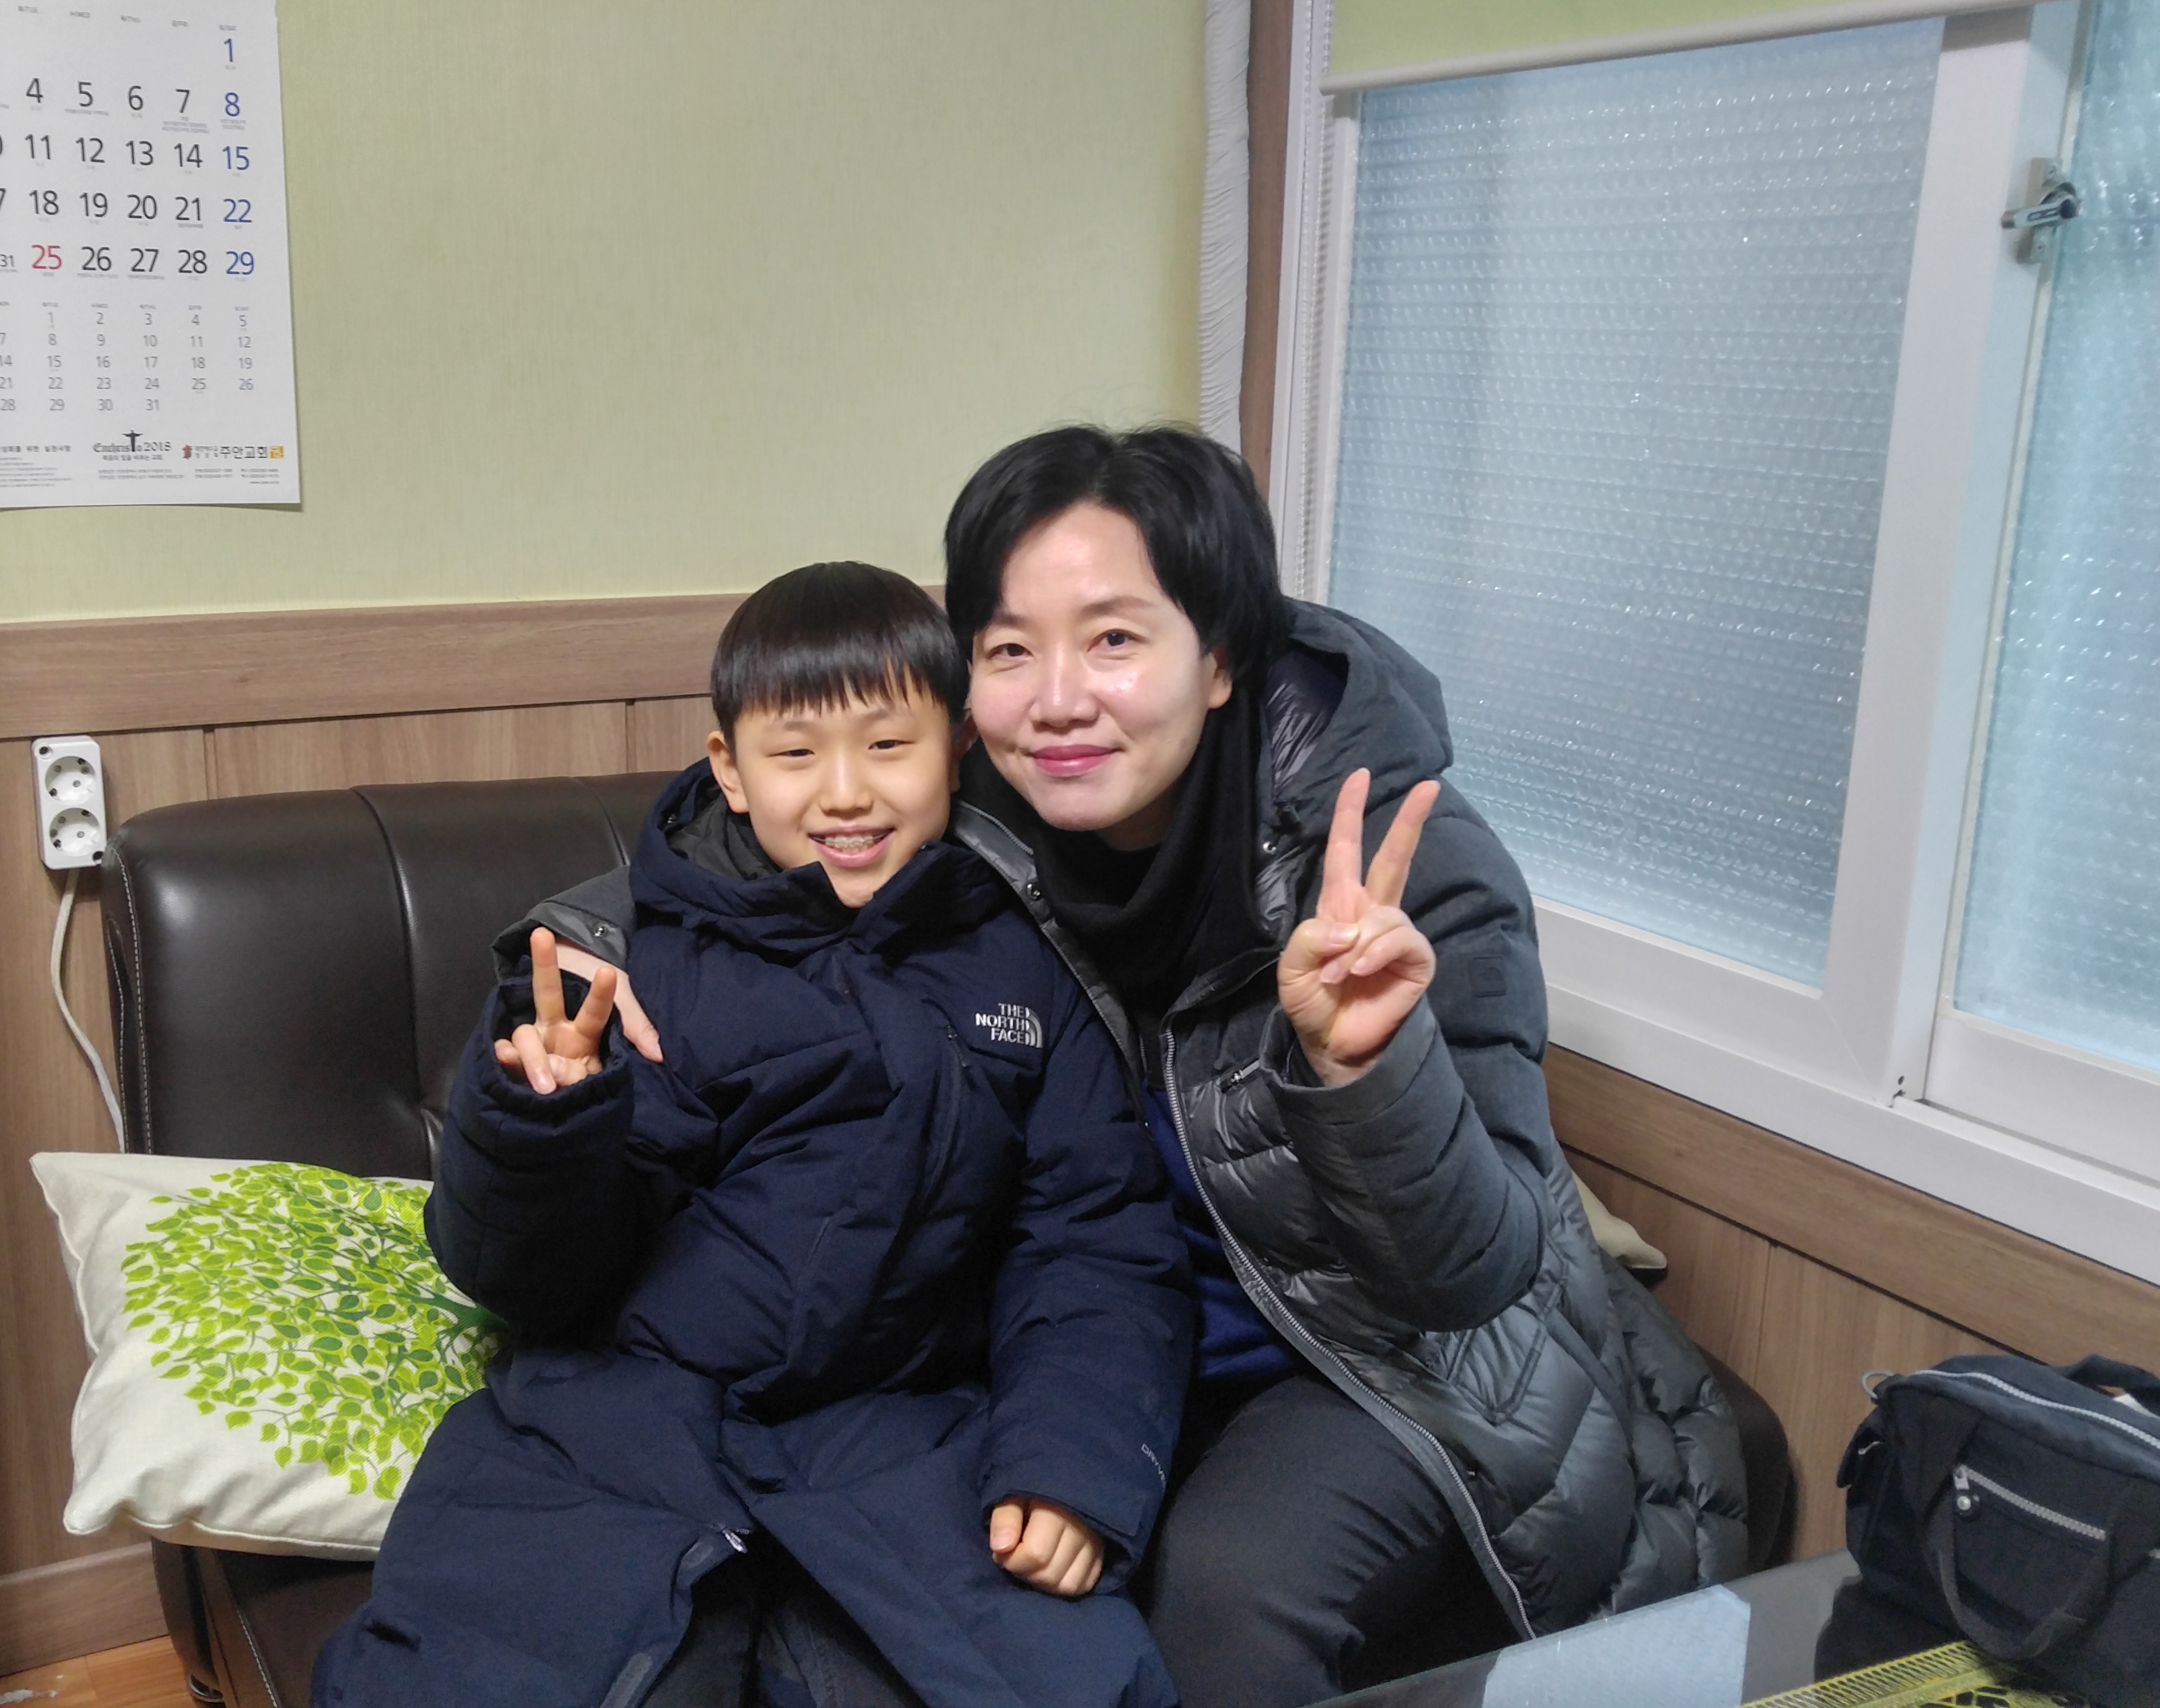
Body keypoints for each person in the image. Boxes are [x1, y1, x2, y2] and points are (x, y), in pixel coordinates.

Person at [538, 428, 1751, 1707]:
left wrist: (1364, 1074)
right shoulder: (988, 812)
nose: (1058, 699)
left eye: (1114, 640)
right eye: (1010, 650)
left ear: (1217, 658)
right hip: (1093, 1339)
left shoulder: (1400, 869)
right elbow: (763, 834)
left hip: (1367, 1361)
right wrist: (582, 947)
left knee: (1216, 1602)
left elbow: (1471, 1276)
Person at [315, 562, 1193, 1708]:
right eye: (795, 754)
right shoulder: (619, 964)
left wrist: (1071, 1466)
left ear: (957, 750)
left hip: (903, 1438)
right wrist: (545, 1119)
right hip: (619, 1420)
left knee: (1063, 1682)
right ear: (729, 769)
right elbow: (525, 1276)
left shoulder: (1021, 960)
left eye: (890, 747)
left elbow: (1094, 1236)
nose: (846, 793)